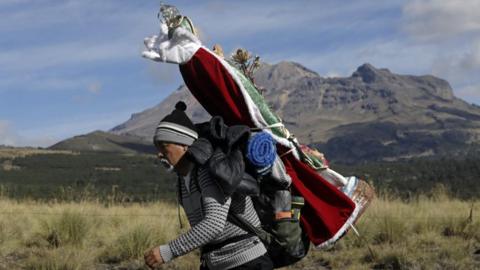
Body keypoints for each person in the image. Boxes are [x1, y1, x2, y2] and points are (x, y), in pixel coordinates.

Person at [144, 101, 273, 270]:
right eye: (157, 147)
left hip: (247, 262)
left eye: (164, 146)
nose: (159, 154)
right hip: (215, 264)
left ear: (184, 145)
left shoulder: (210, 170)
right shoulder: (182, 181)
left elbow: (213, 224)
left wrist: (167, 251)